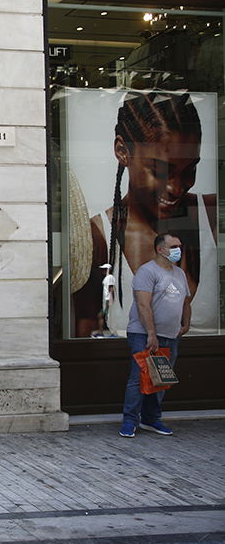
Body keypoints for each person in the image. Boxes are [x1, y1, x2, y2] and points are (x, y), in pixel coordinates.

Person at [72, 90, 216, 337]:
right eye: (160, 171)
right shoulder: (98, 236)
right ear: (122, 151)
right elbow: (86, 330)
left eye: (190, 170)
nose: (177, 187)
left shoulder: (211, 215)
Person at [120, 233, 191, 438]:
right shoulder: (147, 272)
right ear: (161, 249)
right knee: (139, 378)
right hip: (144, 335)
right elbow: (143, 305)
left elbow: (185, 301)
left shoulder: (179, 273)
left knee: (160, 378)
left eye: (179, 245)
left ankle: (151, 419)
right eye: (174, 246)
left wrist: (186, 325)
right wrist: (151, 334)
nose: (179, 249)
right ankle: (130, 421)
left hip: (170, 335)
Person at [93, 263, 116, 337]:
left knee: (105, 316)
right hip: (105, 299)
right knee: (102, 316)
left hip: (107, 299)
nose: (102, 271)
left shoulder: (110, 277)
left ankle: (112, 333)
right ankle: (101, 332)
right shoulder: (106, 277)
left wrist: (110, 300)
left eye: (104, 269)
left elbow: (111, 289)